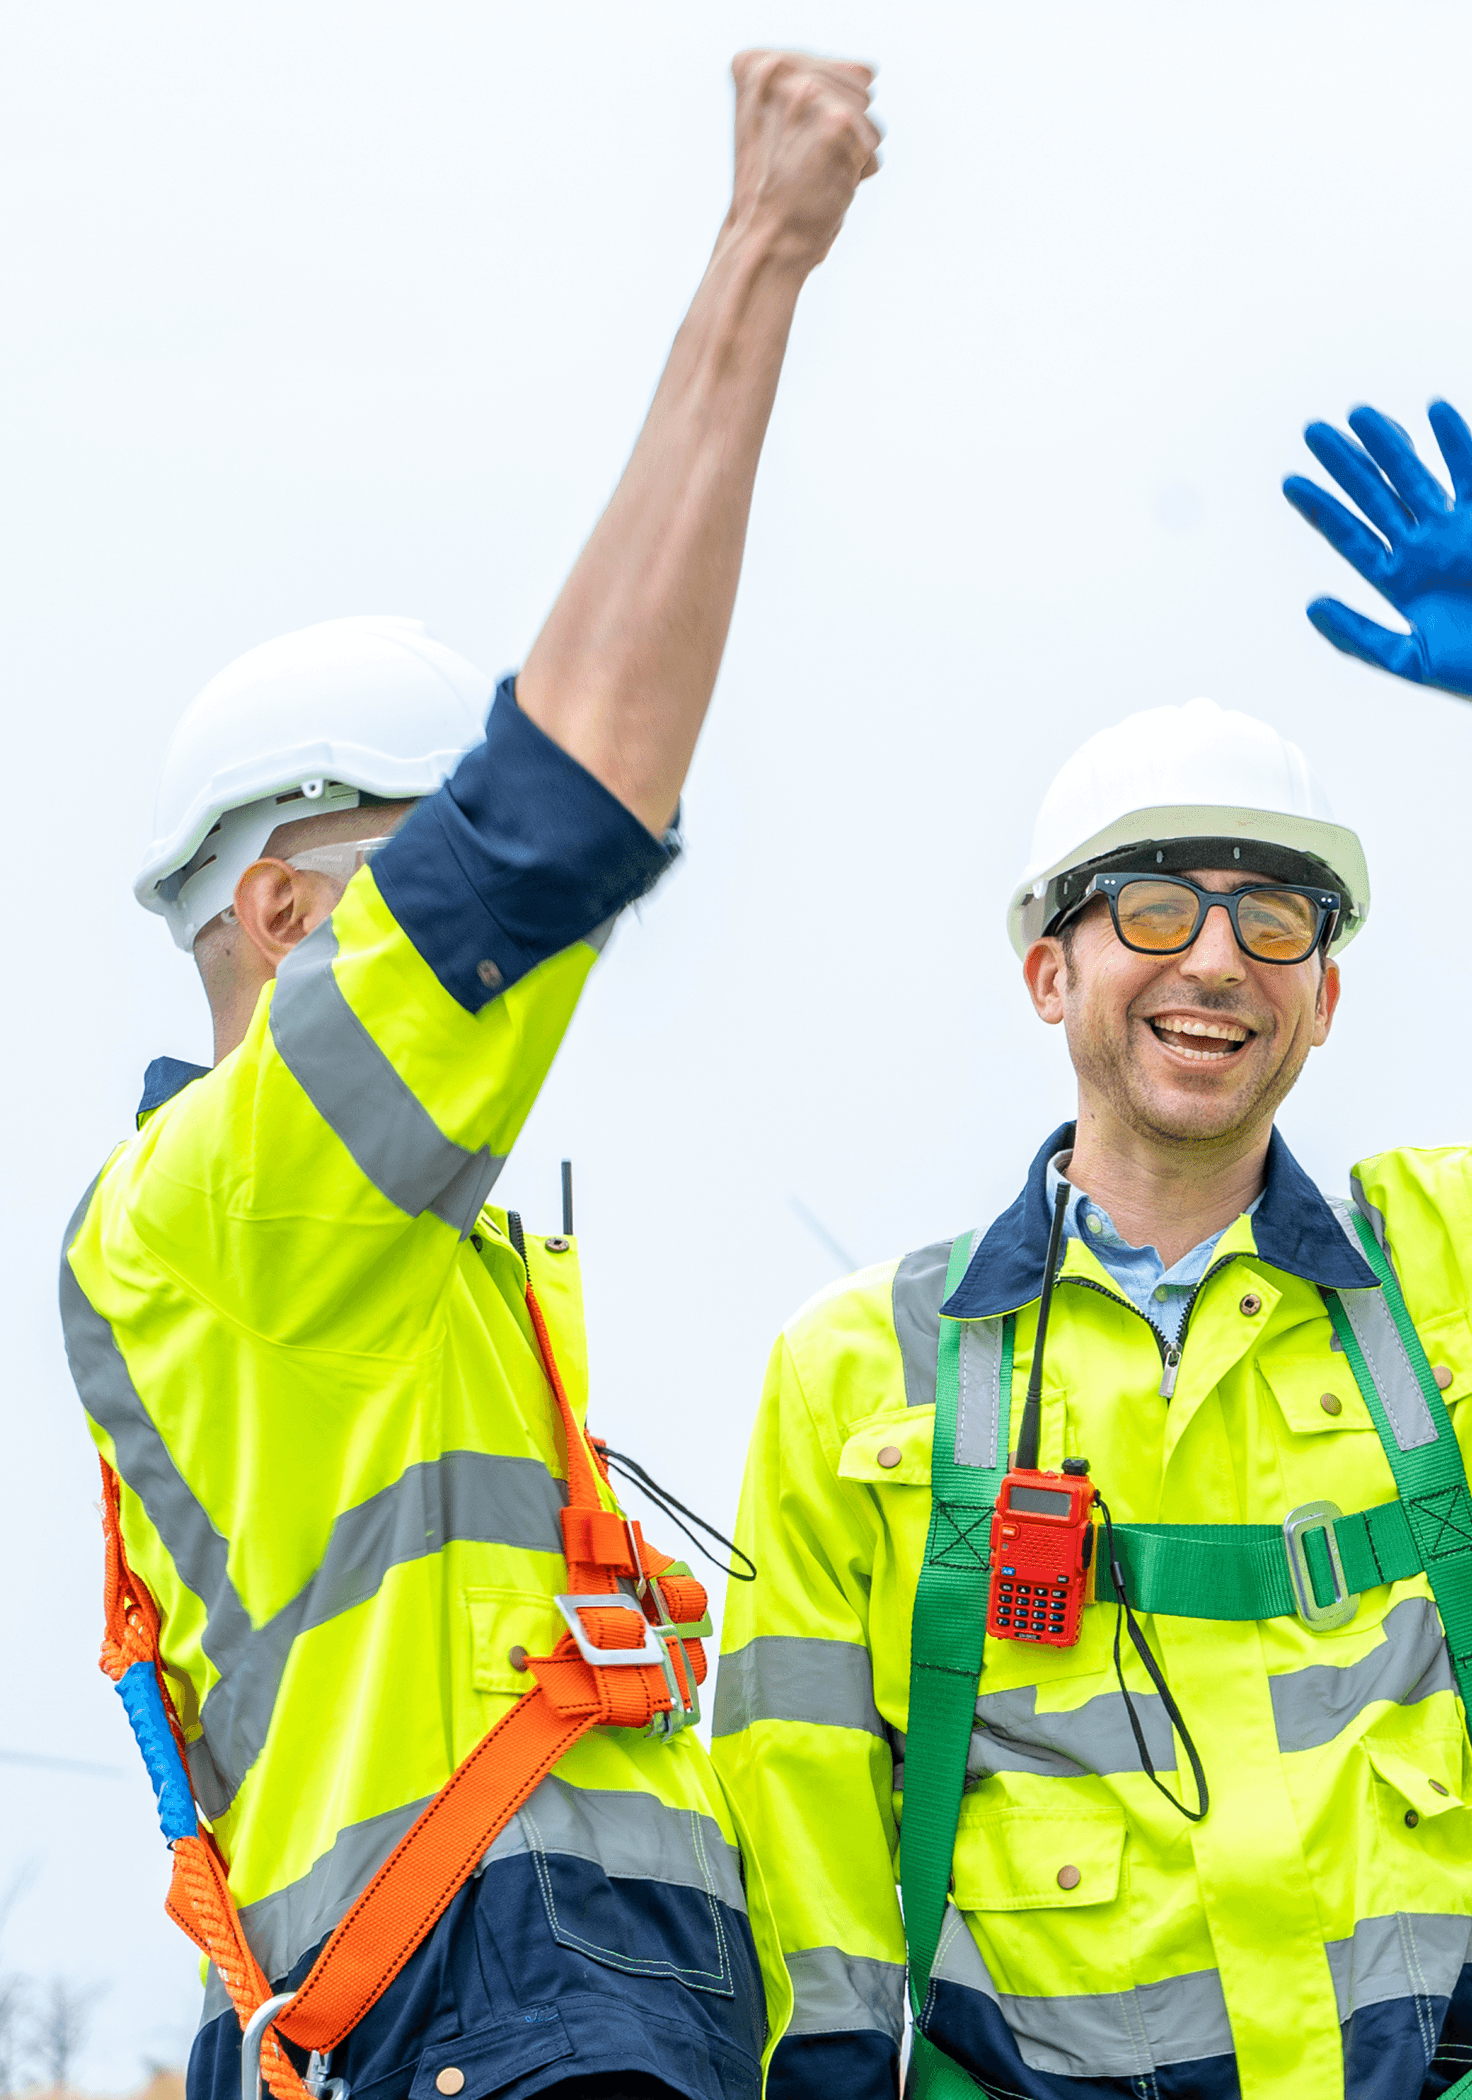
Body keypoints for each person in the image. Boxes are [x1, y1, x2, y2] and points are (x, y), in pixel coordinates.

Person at [711, 398, 1472, 2100]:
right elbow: (805, 1908)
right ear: (1048, 970)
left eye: (1275, 919)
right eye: (1150, 907)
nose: (1216, 960)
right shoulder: (858, 1375)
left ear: (1327, 997)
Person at [63, 52, 881, 2100]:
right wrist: (758, 265)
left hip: (522, 2013)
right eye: (401, 869)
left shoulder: (378, 1262)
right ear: (276, 906)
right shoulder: (247, 1210)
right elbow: (567, 804)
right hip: (483, 2010)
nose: (478, 943)